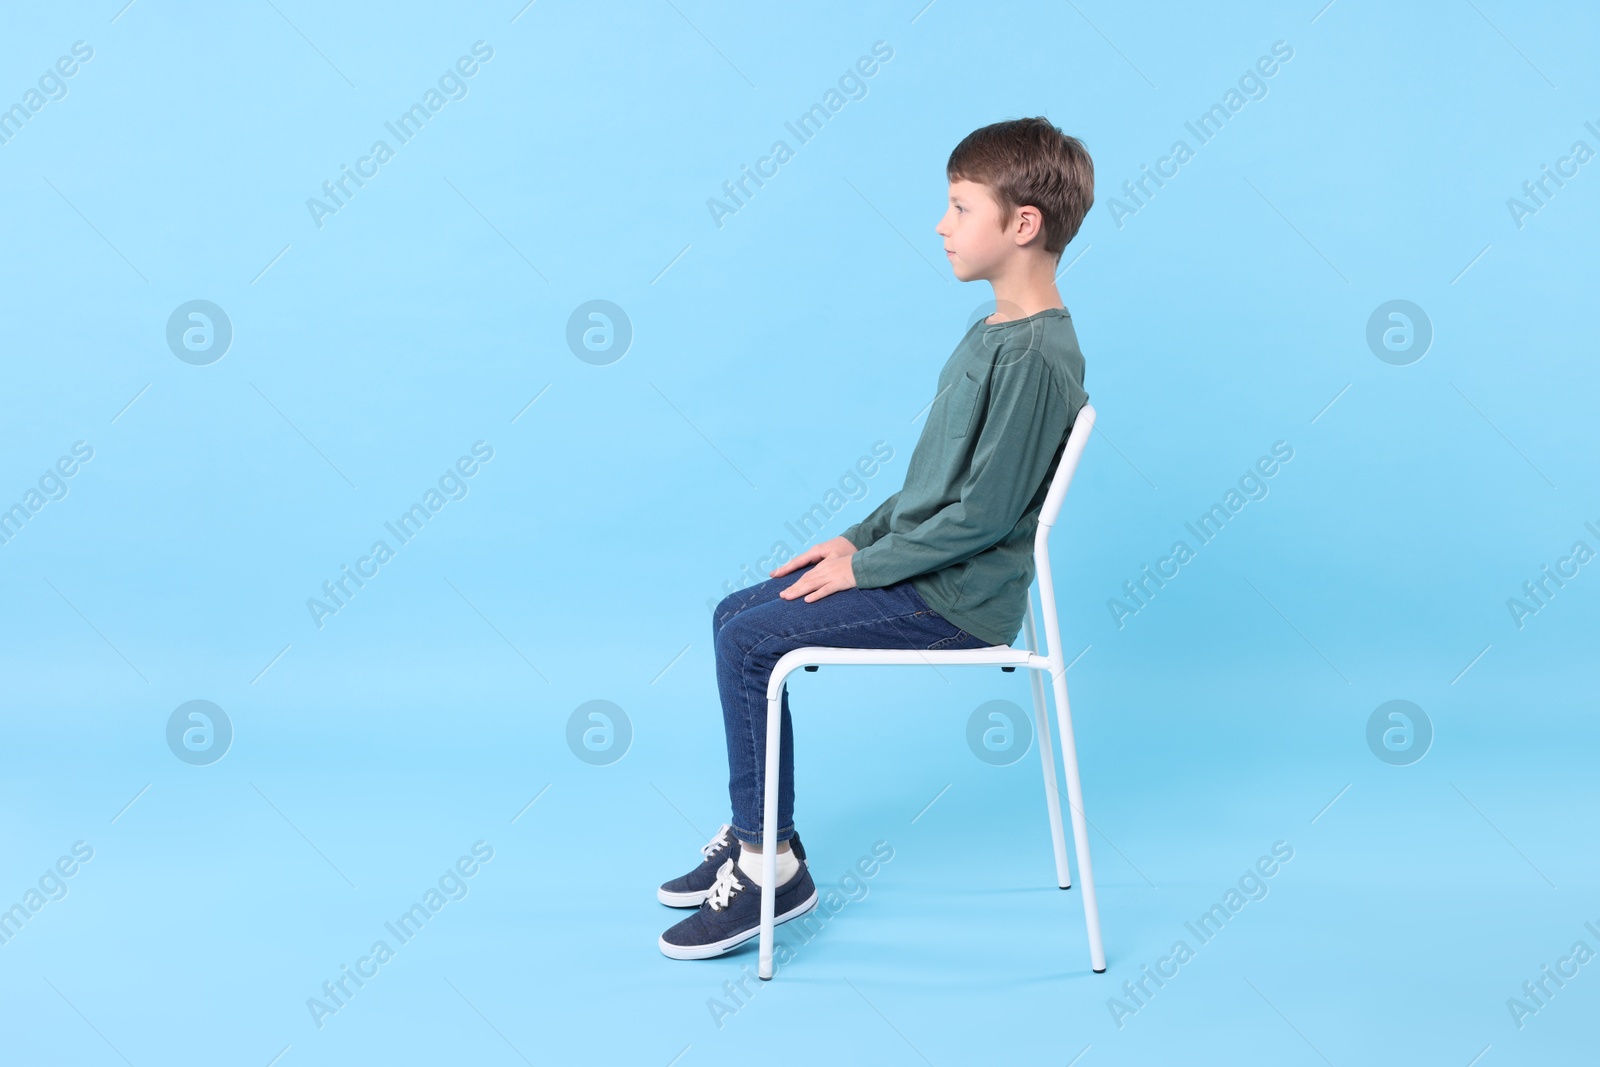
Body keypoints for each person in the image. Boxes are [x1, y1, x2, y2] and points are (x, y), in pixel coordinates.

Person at [658, 116, 1094, 962]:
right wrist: (852, 541)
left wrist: (871, 566)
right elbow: (934, 488)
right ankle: (759, 829)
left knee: (753, 640)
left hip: (956, 600)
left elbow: (985, 517)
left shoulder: (1040, 357)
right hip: (921, 567)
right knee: (731, 615)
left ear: (1023, 225)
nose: (942, 224)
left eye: (961, 207)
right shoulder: (992, 330)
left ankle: (769, 865)